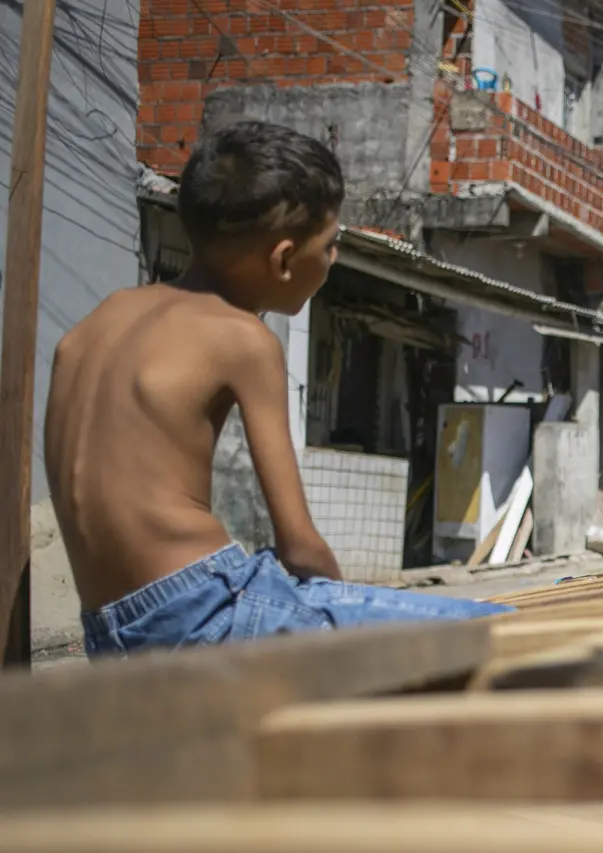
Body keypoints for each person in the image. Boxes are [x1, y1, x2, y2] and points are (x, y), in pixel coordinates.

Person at [44, 120, 511, 658]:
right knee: (504, 633)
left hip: (109, 631)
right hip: (206, 610)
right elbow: (299, 545)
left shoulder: (98, 323)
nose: (334, 260)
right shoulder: (243, 337)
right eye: (331, 245)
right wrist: (341, 605)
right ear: (284, 258)